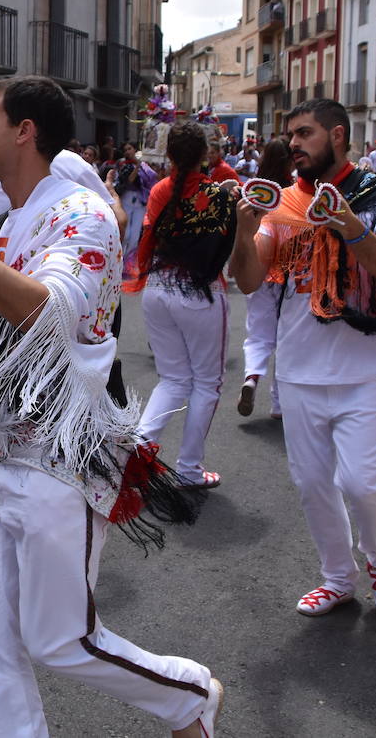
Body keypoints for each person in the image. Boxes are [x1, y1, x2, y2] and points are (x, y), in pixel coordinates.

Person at [0, 76, 223, 738]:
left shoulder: (85, 214)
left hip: (62, 460)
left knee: (60, 641)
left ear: (26, 131)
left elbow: (46, 312)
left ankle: (190, 697)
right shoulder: (2, 225)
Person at [230, 99, 376, 616]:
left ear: (336, 135)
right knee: (312, 484)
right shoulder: (283, 203)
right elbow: (248, 280)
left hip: (366, 368)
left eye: (304, 133)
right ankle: (337, 575)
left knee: (361, 481)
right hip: (300, 370)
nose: (293, 143)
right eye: (290, 135)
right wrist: (245, 231)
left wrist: (350, 225)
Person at [125, 121, 237, 488]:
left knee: (173, 379)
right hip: (200, 296)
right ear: (206, 154)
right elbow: (223, 251)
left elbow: (149, 237)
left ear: (169, 154)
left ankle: (138, 449)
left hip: (157, 289)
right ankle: (189, 469)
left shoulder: (159, 189)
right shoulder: (217, 195)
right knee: (206, 383)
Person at [237, 138, 294, 418]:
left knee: (258, 334)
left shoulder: (254, 190)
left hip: (258, 267)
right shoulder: (296, 190)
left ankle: (252, 376)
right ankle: (279, 403)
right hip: (290, 271)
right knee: (286, 337)